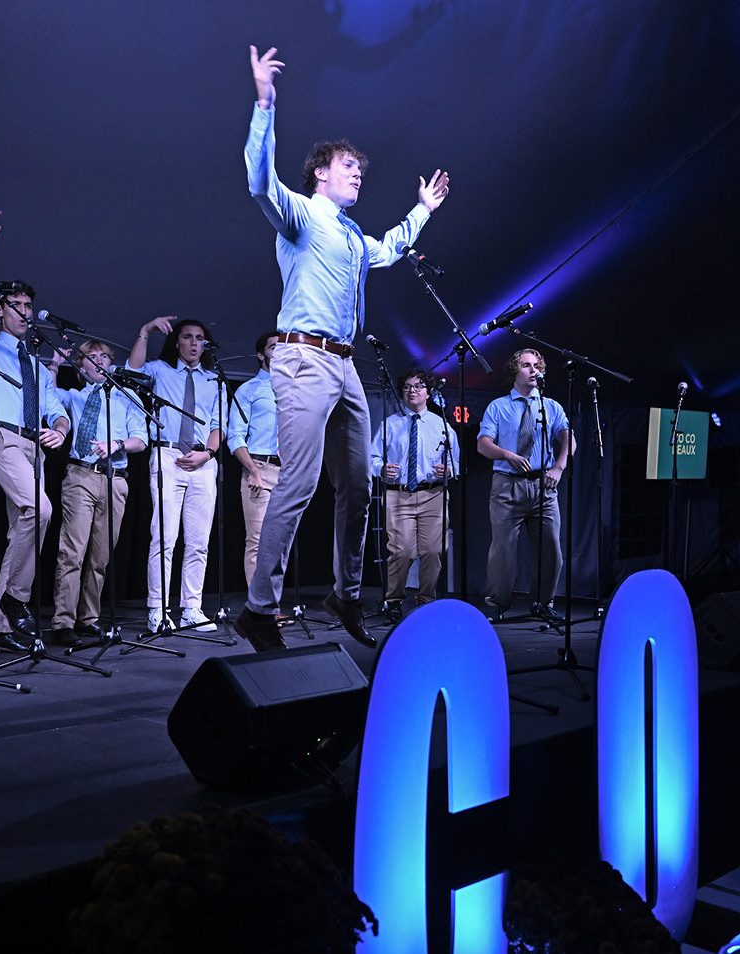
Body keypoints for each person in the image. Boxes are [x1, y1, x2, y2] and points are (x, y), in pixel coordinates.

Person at [234, 45, 450, 652]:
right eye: (348, 165)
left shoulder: (353, 235)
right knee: (298, 483)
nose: (358, 173)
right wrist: (265, 104)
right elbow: (258, 181)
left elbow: (385, 251)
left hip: (345, 365)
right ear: (320, 174)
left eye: (360, 167)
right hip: (302, 358)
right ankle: (258, 608)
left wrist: (422, 212)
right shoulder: (300, 215)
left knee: (358, 486)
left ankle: (346, 593)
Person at [0, 207, 71, 652]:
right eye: (17, 306)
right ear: (1, 309)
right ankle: (16, 598)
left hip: (34, 449)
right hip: (2, 438)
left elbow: (54, 406)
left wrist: (61, 430)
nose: (25, 313)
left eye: (29, 306)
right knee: (40, 511)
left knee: (23, 528)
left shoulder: (36, 362)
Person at [127, 317, 223, 632]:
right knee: (165, 537)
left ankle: (191, 608)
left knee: (199, 542)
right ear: (177, 342)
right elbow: (133, 371)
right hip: (167, 454)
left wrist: (206, 454)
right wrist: (145, 332)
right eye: (187, 337)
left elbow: (217, 426)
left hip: (203, 460)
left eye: (199, 338)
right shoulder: (160, 370)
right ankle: (158, 609)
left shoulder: (214, 380)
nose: (194, 343)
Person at [48, 340, 146, 645]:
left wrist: (115, 445)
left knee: (100, 556)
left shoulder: (127, 398)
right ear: (82, 366)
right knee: (72, 552)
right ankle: (63, 621)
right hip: (81, 475)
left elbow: (141, 440)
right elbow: (48, 398)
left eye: (105, 356)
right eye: (92, 357)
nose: (100, 361)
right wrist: (54, 362)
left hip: (115, 479)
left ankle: (88, 618)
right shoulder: (75, 397)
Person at [476, 348, 573, 618]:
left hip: (543, 488)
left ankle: (544, 603)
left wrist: (558, 467)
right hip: (507, 485)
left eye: (537, 366)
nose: (534, 371)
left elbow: (569, 440)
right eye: (527, 366)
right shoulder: (498, 406)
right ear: (514, 373)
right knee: (503, 551)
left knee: (551, 549)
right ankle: (497, 604)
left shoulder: (550, 406)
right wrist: (507, 455)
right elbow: (483, 445)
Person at [370, 367, 459, 615]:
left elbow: (456, 463)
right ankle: (394, 600)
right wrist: (381, 468)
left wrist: (448, 471)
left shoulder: (442, 425)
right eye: (408, 387)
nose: (412, 391)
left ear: (428, 393)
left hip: (433, 495)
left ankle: (426, 602)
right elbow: (372, 458)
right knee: (403, 551)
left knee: (433, 550)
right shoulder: (389, 424)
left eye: (418, 386)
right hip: (398, 495)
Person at [227, 330, 281, 587]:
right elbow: (235, 436)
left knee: (280, 541)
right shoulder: (249, 389)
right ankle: (259, 608)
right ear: (261, 355)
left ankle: (274, 604)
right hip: (260, 466)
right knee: (258, 540)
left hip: (289, 471)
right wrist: (253, 470)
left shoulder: (295, 390)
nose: (279, 352)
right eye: (273, 347)